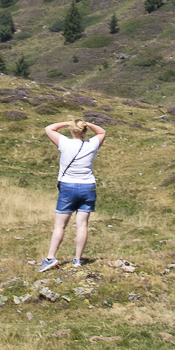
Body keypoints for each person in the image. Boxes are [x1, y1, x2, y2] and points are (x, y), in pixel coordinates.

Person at [38, 116, 107, 270]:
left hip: (68, 187)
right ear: (85, 131)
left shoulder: (65, 143)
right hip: (88, 186)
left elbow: (49, 128)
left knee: (60, 226)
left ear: (72, 130)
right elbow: (102, 132)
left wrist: (67, 123)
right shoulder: (92, 144)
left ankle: (50, 258)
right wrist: (87, 123)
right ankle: (77, 260)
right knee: (82, 225)